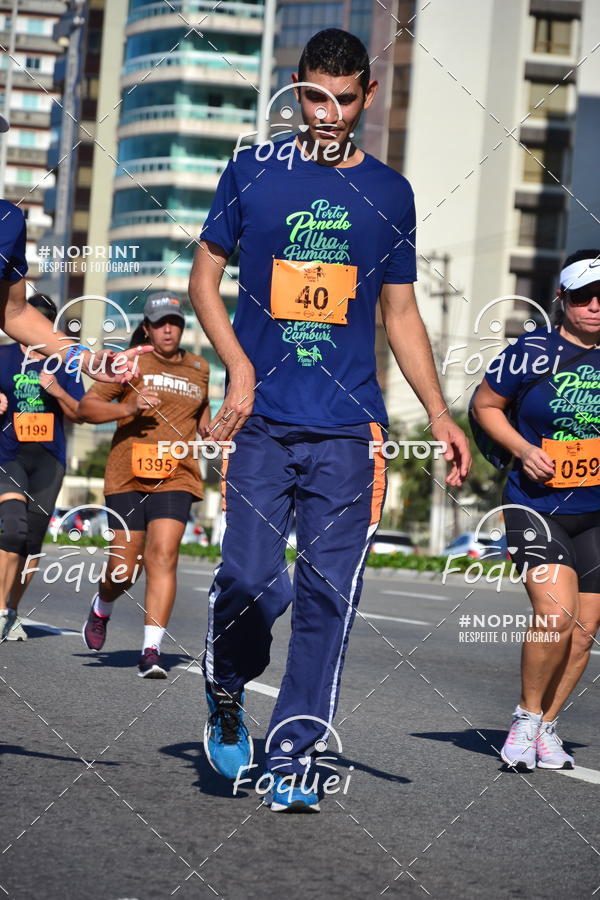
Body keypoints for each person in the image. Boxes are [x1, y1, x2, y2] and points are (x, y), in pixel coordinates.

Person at [189, 29, 470, 812]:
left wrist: (442, 415)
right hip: (263, 422)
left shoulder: (391, 194)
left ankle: (292, 756)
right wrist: (238, 367)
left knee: (327, 595)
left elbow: (402, 314)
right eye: (316, 96)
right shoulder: (252, 171)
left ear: (368, 97)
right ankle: (226, 681)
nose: (329, 113)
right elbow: (203, 281)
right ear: (296, 88)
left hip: (351, 431)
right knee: (247, 577)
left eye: (345, 99)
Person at [473, 249, 600, 772]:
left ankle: (548, 726)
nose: (595, 306)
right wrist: (523, 450)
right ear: (562, 300)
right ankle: (525, 720)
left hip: (596, 510)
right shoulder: (530, 352)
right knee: (556, 614)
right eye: (584, 297)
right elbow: (484, 405)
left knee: (585, 629)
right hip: (535, 504)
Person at [78, 292, 210, 677]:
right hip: (127, 474)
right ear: (147, 327)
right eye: (160, 322)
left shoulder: (200, 367)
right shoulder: (129, 362)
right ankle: (103, 605)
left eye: (175, 322)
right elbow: (87, 409)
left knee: (164, 554)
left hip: (177, 473)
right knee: (124, 571)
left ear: (182, 327)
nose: (168, 329)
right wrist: (128, 408)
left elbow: (202, 414)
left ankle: (151, 650)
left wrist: (211, 427)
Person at [0, 293, 85, 640]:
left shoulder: (64, 363)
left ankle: (12, 609)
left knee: (31, 542)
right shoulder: (2, 356)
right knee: (12, 529)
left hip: (49, 460)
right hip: (8, 455)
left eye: (46, 320)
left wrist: (58, 392)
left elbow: (81, 412)